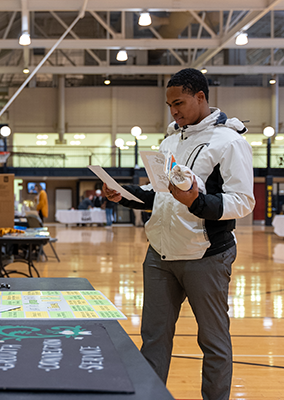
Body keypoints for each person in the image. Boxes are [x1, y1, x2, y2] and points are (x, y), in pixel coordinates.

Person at [103, 68, 255, 400]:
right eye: (170, 105)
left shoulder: (229, 141)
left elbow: (243, 201)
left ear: (201, 97)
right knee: (154, 338)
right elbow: (159, 193)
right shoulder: (171, 139)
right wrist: (124, 192)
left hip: (206, 257)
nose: (174, 111)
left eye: (179, 103)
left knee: (213, 342)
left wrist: (197, 201)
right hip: (159, 255)